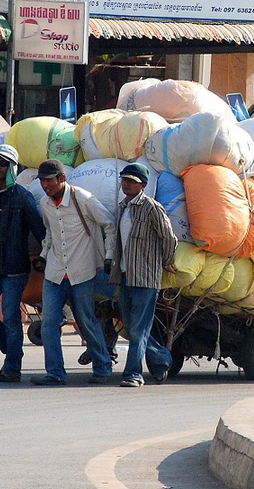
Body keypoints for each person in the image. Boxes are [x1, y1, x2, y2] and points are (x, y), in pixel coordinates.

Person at [30, 159, 116, 386]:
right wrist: (44, 255)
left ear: (62, 178)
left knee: (86, 320)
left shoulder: (82, 198)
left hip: (82, 271)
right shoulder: (45, 204)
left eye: (49, 180)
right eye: (42, 181)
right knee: (49, 322)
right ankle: (55, 373)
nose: (46, 185)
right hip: (55, 272)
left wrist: (108, 256)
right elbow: (49, 233)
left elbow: (109, 223)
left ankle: (103, 367)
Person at [0, 144, 46, 383]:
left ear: (12, 167)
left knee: (12, 317)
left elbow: (40, 231)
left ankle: (12, 366)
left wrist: (44, 258)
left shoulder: (22, 197)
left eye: (3, 163)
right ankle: (13, 351)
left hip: (15, 268)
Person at [110, 162, 178, 387]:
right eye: (124, 180)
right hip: (126, 276)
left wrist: (166, 262)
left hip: (146, 278)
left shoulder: (151, 207)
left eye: (132, 181)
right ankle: (162, 358)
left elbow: (169, 238)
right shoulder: (123, 207)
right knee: (131, 328)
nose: (126, 184)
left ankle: (133, 374)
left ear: (143, 185)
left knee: (138, 329)